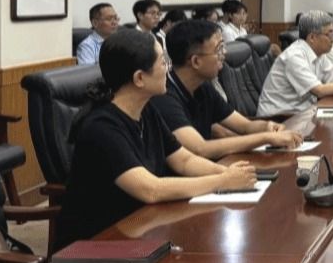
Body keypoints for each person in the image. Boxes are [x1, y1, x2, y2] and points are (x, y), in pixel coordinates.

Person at [53, 29, 257, 249]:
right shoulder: (101, 127)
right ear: (139, 78)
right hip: (95, 244)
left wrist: (227, 173)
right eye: (163, 63)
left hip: (140, 229)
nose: (168, 69)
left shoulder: (146, 110)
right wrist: (221, 182)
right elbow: (151, 189)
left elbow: (184, 161)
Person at [152, 20, 302, 158]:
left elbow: (245, 126)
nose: (224, 53)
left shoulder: (203, 87)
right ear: (196, 61)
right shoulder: (164, 97)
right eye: (218, 49)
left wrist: (267, 127)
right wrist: (266, 138)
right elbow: (200, 148)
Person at [257, 11, 333, 115]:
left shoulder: (320, 54)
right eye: (330, 34)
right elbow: (319, 90)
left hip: (303, 112)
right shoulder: (294, 56)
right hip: (278, 118)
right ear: (312, 37)